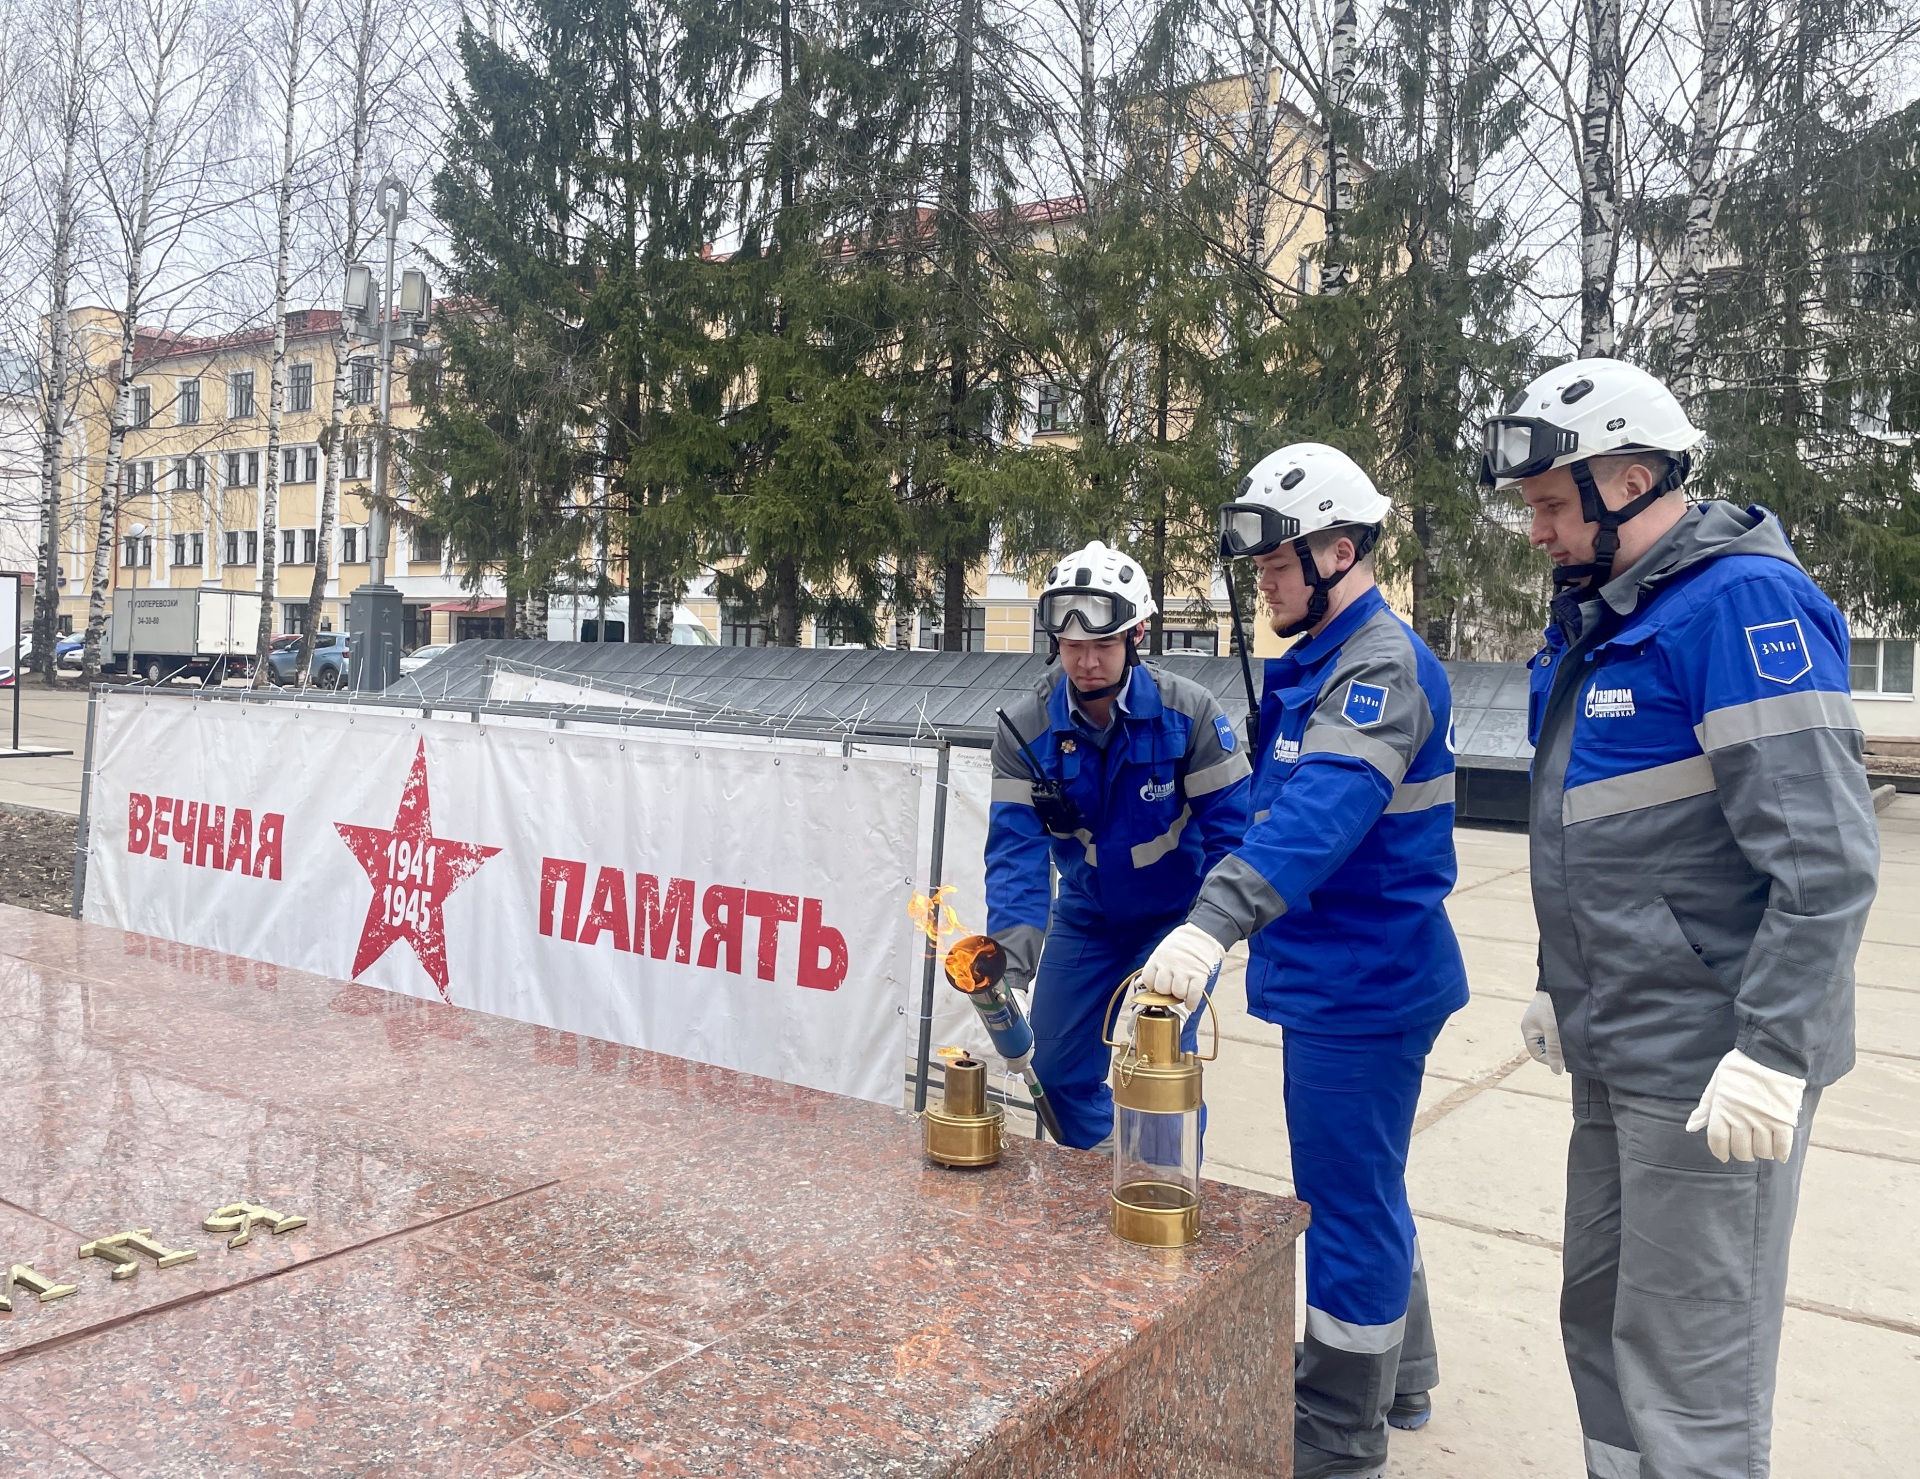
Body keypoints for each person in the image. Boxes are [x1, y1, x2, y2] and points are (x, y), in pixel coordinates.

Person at [1483, 357, 1878, 1479]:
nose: (1538, 531)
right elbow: (1618, 837)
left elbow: (1827, 863)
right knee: (1603, 1328)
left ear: (1634, 477)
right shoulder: (1611, 618)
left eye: (1553, 505)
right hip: (1622, 1045)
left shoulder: (1739, 605)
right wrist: (1569, 989)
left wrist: (1773, 1052)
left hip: (1714, 1068)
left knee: (1690, 1378)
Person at [1139, 443, 1468, 1479]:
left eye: (1278, 567)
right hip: (1345, 973)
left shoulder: (1380, 666)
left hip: (1363, 983)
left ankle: (1335, 1431)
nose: (1266, 585)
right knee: (1368, 1183)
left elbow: (1321, 813)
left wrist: (1211, 922)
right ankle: (1400, 1374)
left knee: (1344, 1203)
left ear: (1337, 550)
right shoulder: (1322, 661)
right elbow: (1267, 807)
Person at [984, 539, 1251, 1151]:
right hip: (1087, 919)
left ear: (1137, 636)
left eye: (1102, 645)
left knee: (1154, 1069)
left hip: (1176, 924)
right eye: (1072, 647)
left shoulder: (1191, 716)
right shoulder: (1025, 730)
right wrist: (1011, 970)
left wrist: (1208, 933)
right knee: (1049, 1072)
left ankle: (1163, 1193)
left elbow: (1233, 838)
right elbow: (1015, 859)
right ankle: (1099, 1183)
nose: (1086, 663)